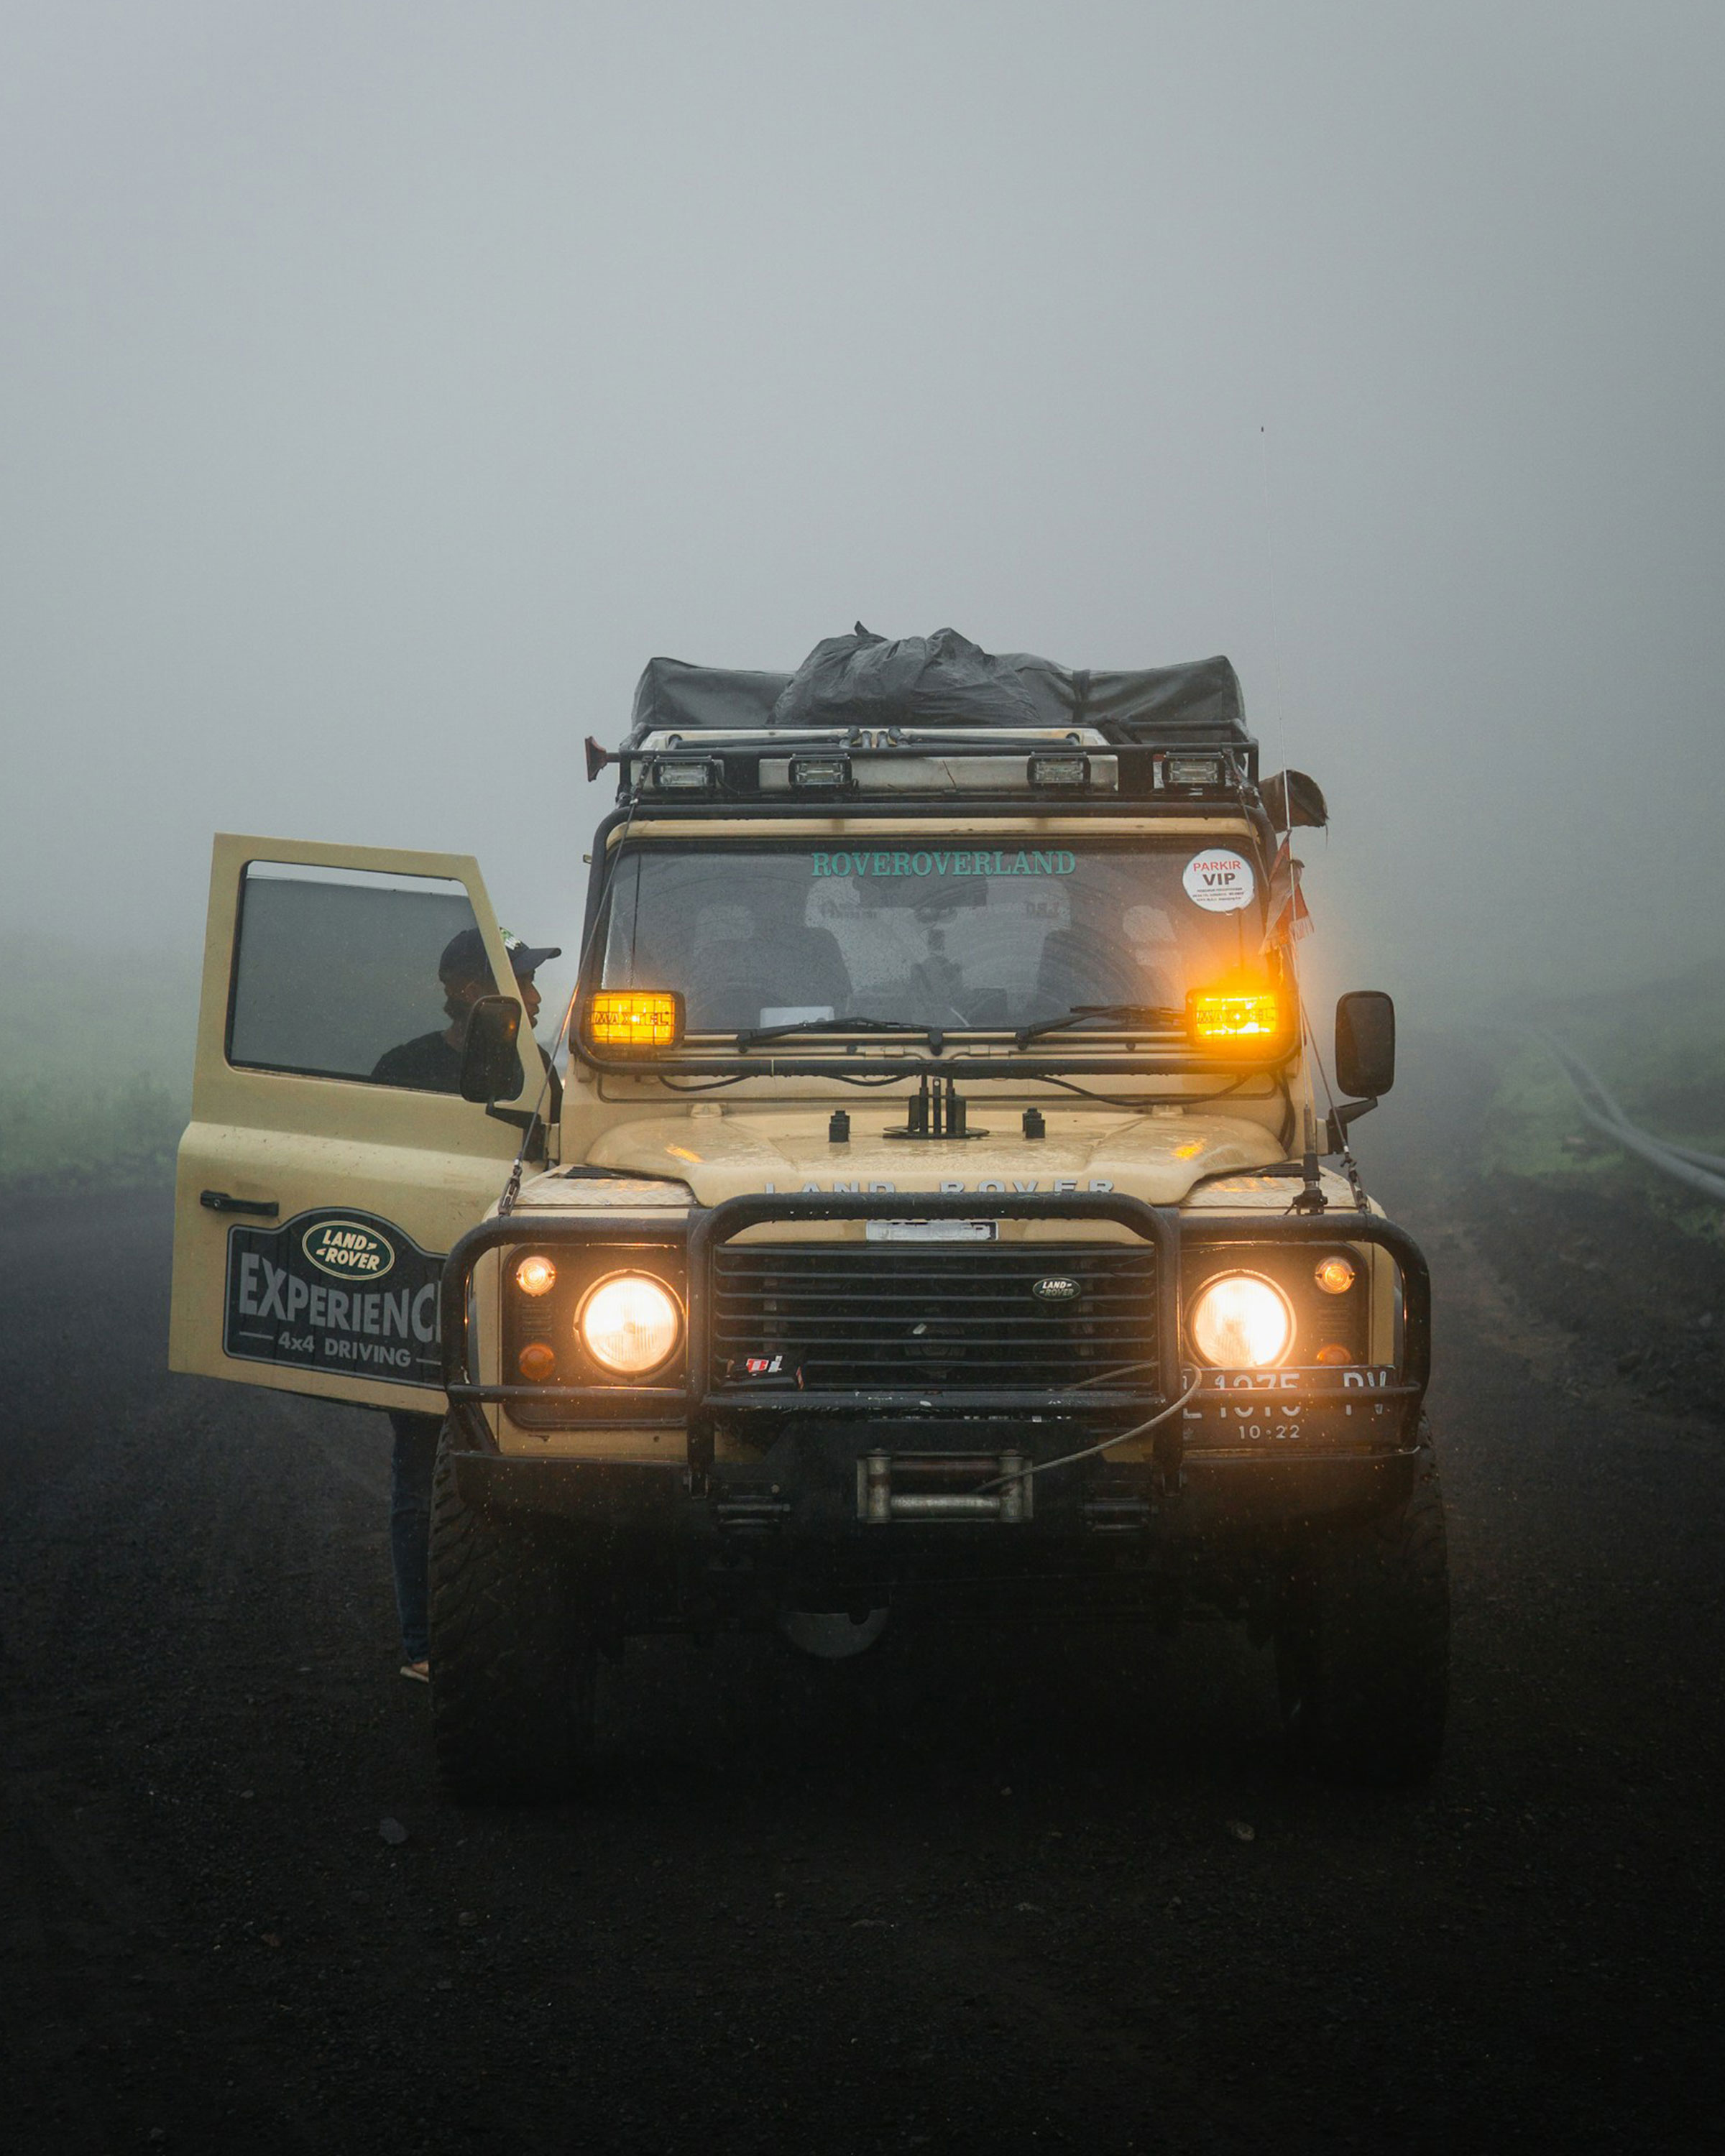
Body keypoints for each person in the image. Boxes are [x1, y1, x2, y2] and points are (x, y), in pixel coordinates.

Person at [377, 923, 561, 1683]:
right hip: (422, 1294)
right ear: (463, 990)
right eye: (519, 979)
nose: (537, 994)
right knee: (422, 1467)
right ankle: (425, 1646)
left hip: (514, 1302)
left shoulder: (542, 1072)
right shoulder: (402, 1070)